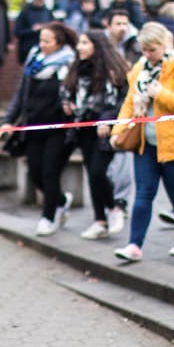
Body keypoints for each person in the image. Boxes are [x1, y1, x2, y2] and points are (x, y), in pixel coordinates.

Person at [110, 22, 174, 261]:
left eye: (152, 50)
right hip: (146, 143)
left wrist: (161, 94)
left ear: (164, 45)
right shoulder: (139, 69)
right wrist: (117, 132)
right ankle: (134, 245)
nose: (148, 55)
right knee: (143, 194)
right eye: (144, 50)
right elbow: (129, 104)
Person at [0, 22, 77, 236]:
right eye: (40, 39)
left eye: (46, 41)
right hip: (33, 125)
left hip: (58, 129)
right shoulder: (34, 60)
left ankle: (48, 217)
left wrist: (72, 107)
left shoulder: (69, 64)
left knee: (50, 172)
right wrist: (9, 120)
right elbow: (20, 94)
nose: (41, 44)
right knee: (35, 172)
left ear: (58, 43)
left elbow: (76, 93)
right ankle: (61, 200)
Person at [62, 31, 129, 240]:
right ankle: (99, 220)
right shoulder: (77, 68)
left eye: (84, 43)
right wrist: (67, 103)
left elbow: (123, 100)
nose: (79, 47)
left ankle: (114, 208)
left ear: (97, 46)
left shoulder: (113, 71)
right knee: (91, 173)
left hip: (105, 130)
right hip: (83, 128)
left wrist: (108, 119)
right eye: (79, 43)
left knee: (99, 172)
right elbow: (67, 90)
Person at [14, 0, 54, 64]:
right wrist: (32, 30)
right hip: (28, 50)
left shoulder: (47, 12)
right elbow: (17, 32)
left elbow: (54, 30)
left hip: (44, 51)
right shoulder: (25, 12)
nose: (40, 0)